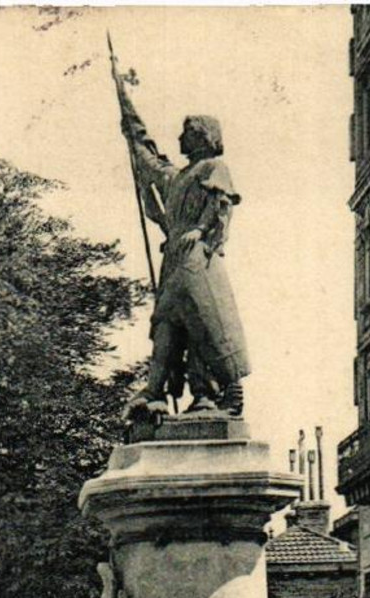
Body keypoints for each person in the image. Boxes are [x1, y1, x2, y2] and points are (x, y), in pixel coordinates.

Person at [114, 69, 250, 419]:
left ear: (203, 137)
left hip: (196, 257)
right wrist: (130, 120)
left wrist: (202, 230)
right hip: (175, 257)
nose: (180, 138)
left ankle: (209, 392)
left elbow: (222, 203)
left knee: (201, 321)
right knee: (167, 320)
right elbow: (149, 159)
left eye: (187, 133)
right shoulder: (177, 178)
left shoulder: (213, 167)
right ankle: (157, 388)